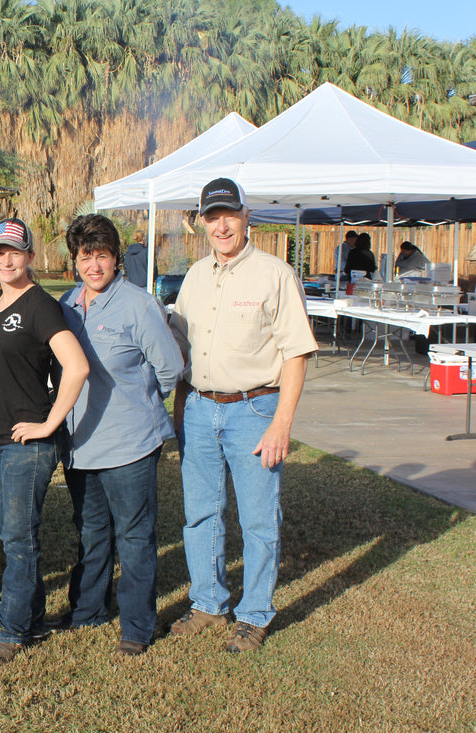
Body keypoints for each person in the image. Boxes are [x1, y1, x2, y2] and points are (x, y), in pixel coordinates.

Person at [169, 177, 317, 653]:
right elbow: (179, 350)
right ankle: (209, 603)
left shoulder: (275, 274)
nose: (222, 225)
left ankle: (254, 614)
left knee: (257, 518)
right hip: (198, 406)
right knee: (200, 515)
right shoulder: (193, 276)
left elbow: (296, 355)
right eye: (212, 217)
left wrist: (281, 424)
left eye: (229, 214)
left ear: (246, 216)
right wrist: (179, 412)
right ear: (202, 223)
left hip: (255, 410)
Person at [57, 214, 184, 656]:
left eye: (103, 255)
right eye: (85, 256)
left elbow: (169, 368)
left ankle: (137, 626)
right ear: (75, 261)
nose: (94, 265)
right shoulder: (67, 306)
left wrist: (141, 405)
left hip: (130, 444)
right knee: (91, 533)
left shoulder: (138, 305)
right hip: (80, 445)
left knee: (134, 537)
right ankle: (88, 610)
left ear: (116, 259)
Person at [0, 218, 88, 664]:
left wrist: (48, 425)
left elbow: (76, 367)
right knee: (9, 533)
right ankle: (33, 616)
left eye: (15, 252)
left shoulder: (40, 306)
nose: (6, 260)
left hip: (28, 443)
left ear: (31, 258)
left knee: (20, 539)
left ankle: (14, 626)